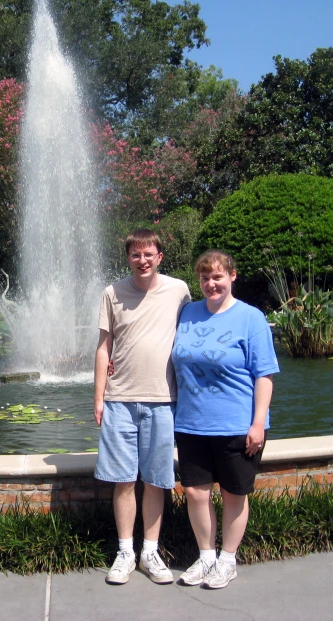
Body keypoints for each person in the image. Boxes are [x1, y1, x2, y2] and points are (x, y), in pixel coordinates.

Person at [171, 250, 279, 589]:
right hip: (191, 423)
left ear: (232, 276)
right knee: (195, 493)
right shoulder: (188, 313)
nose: (210, 283)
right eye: (204, 278)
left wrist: (258, 423)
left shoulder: (251, 318)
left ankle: (227, 559)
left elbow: (264, 374)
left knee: (234, 494)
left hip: (236, 424)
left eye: (217, 276)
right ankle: (206, 557)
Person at [94, 229, 190, 585]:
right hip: (119, 400)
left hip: (164, 400)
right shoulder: (112, 293)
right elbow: (104, 348)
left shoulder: (179, 290)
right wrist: (99, 398)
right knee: (122, 480)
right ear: (128, 257)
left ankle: (150, 551)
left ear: (160, 256)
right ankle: (125, 551)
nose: (143, 260)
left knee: (155, 481)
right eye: (136, 255)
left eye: (149, 254)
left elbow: (191, 335)